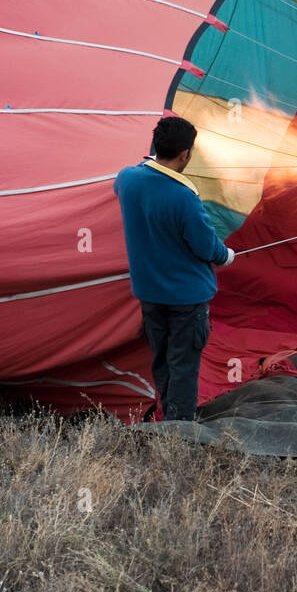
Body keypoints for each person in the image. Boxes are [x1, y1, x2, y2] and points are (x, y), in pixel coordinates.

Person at [114, 116, 234, 422]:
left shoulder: (128, 179)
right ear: (185, 154)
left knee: (163, 360)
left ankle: (168, 418)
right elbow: (208, 248)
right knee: (183, 364)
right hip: (186, 299)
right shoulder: (184, 198)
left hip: (150, 294)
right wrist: (227, 256)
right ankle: (178, 431)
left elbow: (122, 185)